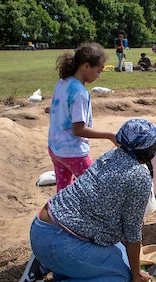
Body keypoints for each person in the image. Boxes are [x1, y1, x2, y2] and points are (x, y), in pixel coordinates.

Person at [19, 119, 156, 282]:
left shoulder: (112, 156)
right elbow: (132, 231)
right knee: (121, 273)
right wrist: (135, 272)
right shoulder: (138, 176)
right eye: (154, 143)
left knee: (117, 252)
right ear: (145, 148)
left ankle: (42, 263)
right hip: (60, 243)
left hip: (42, 227)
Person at [48, 42, 118, 192]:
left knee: (64, 192)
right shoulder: (79, 92)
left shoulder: (62, 83)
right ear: (86, 66)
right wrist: (110, 135)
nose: (98, 76)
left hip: (55, 148)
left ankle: (62, 214)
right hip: (73, 152)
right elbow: (78, 129)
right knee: (98, 188)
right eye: (98, 71)